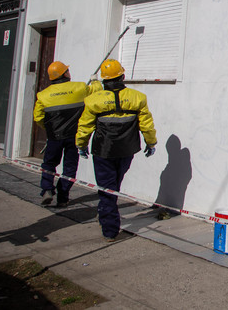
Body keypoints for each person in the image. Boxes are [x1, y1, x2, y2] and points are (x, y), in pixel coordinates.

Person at [75, 59, 157, 242]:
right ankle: (105, 213)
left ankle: (110, 229)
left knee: (107, 189)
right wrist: (151, 143)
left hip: (103, 150)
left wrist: (81, 144)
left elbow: (85, 126)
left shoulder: (94, 100)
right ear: (123, 76)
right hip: (127, 150)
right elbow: (147, 124)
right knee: (113, 186)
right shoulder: (138, 97)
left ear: (104, 80)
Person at [33, 61, 102, 207]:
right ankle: (63, 198)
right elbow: (97, 91)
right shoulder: (80, 88)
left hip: (54, 137)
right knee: (69, 168)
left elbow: (38, 118)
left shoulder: (43, 95)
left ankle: (47, 189)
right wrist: (95, 80)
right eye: (67, 71)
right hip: (74, 136)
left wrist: (50, 129)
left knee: (49, 163)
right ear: (64, 74)